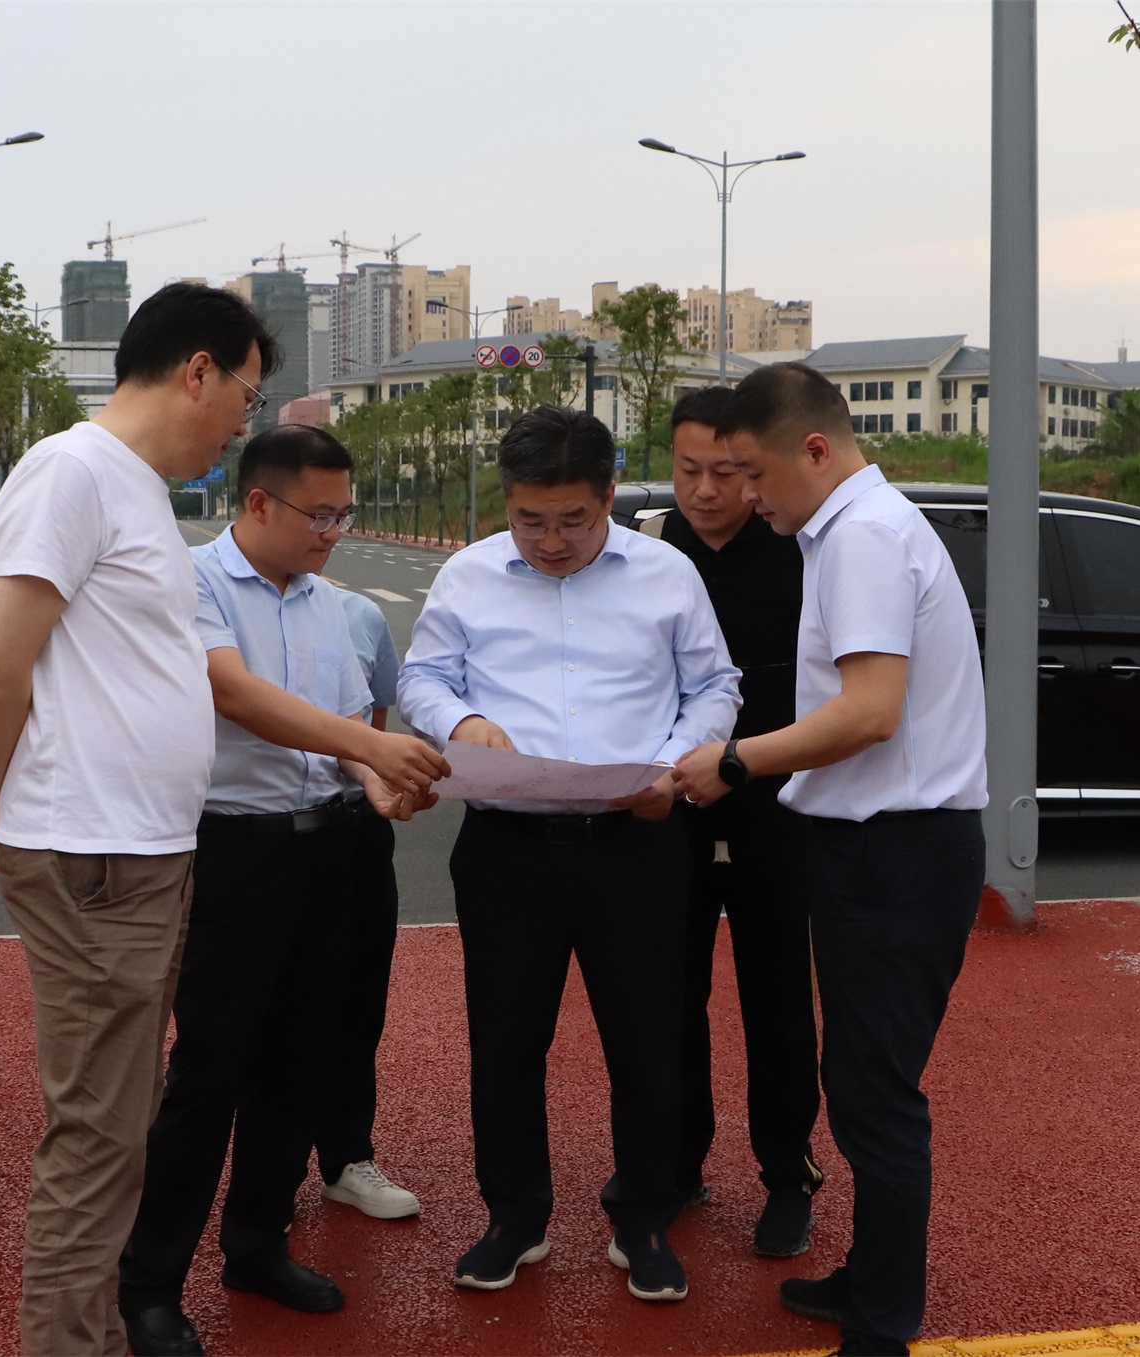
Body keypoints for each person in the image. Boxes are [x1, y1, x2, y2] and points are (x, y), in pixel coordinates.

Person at [0, 283, 282, 1357]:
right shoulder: (73, 472)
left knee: (117, 1122)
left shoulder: (131, 487)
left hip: (133, 847)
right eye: (247, 396)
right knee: (98, 1134)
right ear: (197, 370)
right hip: (95, 852)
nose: (243, 424)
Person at [673, 363, 987, 1357]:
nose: (746, 496)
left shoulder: (861, 537)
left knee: (875, 1092)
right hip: (888, 845)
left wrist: (734, 760)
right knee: (858, 1079)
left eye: (754, 473)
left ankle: (882, 1326)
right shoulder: (865, 528)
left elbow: (869, 711)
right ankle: (871, 1279)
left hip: (895, 849)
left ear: (814, 449)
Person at [397, 405, 741, 1304]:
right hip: (508, 847)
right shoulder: (469, 576)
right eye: (530, 520)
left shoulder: (666, 575)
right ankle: (514, 1217)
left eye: (574, 521)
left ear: (609, 496)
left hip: (639, 840)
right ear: (506, 501)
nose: (551, 541)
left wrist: (673, 766)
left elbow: (715, 685)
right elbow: (422, 677)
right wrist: (464, 720)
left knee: (649, 1038)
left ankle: (643, 1217)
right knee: (506, 1039)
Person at [116, 425, 447, 1357]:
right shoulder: (193, 583)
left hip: (329, 848)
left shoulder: (330, 605)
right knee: (210, 1069)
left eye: (346, 513)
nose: (335, 530)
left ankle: (258, 1242)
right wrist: (372, 747)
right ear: (258, 501)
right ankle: (149, 1281)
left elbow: (340, 731)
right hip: (234, 851)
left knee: (303, 1058)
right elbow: (233, 694)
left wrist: (377, 780)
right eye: (320, 514)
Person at [639, 386, 824, 1258]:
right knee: (667, 999)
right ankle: (677, 1164)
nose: (705, 491)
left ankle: (787, 1175)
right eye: (688, 470)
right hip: (666, 812)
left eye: (725, 472)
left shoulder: (802, 552)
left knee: (778, 1001)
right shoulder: (646, 550)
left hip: (774, 813)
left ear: (755, 471)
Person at [314, 586, 422, 1221]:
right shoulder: (206, 594)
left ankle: (347, 1156)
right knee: (247, 1011)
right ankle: (260, 1176)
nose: (329, 538)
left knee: (357, 1001)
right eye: (318, 529)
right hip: (248, 832)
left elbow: (373, 728)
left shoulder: (360, 613)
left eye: (338, 530)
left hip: (353, 827)